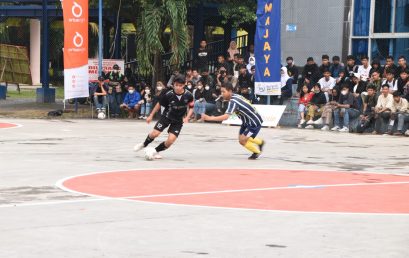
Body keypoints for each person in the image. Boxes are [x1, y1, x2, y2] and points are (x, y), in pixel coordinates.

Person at [134, 75, 194, 159]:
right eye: (176, 85)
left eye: (180, 85)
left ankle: (154, 151)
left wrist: (187, 117)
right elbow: (159, 104)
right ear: (173, 84)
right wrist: (151, 115)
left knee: (170, 141)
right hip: (166, 117)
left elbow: (191, 107)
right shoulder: (169, 94)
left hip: (178, 121)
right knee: (155, 133)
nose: (178, 87)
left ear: (184, 85)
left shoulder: (189, 95)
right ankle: (144, 144)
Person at [201, 82, 265, 160]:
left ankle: (257, 152)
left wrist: (209, 118)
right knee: (241, 138)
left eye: (224, 92)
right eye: (221, 92)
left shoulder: (233, 102)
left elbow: (226, 117)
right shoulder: (235, 96)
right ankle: (260, 142)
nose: (222, 94)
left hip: (254, 123)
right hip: (246, 121)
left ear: (230, 91)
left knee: (242, 141)